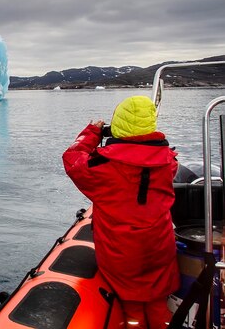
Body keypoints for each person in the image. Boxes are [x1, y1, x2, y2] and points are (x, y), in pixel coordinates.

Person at [62, 95, 179, 329]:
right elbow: (144, 157)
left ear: (117, 126)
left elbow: (72, 159)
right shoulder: (169, 162)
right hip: (160, 247)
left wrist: (92, 134)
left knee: (132, 307)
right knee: (158, 304)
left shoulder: (104, 167)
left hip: (122, 253)